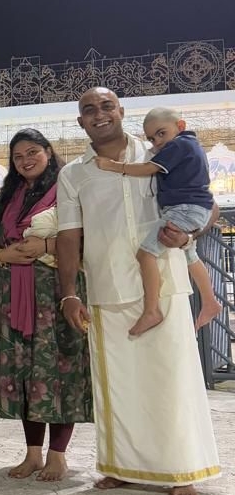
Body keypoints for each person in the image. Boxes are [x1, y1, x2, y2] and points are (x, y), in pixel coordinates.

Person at [56, 87, 220, 495]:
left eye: (107, 106)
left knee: (172, 381)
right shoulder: (74, 173)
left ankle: (182, 469)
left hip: (162, 281)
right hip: (107, 287)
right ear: (80, 122)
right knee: (120, 387)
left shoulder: (161, 152)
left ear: (121, 111)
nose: (99, 114)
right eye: (89, 110)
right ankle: (121, 466)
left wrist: (190, 231)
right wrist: (69, 294)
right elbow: (68, 236)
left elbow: (207, 206)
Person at [0, 129, 92, 481]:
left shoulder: (69, 188)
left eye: (33, 152)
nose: (26, 161)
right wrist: (1, 253)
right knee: (24, 373)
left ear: (48, 152)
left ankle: (58, 456)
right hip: (13, 296)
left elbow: (89, 234)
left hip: (58, 294)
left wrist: (48, 247)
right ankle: (32, 454)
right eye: (18, 156)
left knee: (60, 372)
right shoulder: (7, 194)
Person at [93, 107, 221, 336]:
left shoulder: (179, 145)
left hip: (183, 209)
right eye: (152, 138)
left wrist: (114, 166)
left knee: (145, 254)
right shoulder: (189, 146)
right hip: (193, 209)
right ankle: (210, 301)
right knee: (190, 255)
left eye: (162, 133)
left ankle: (152, 309)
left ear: (180, 127)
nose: (157, 142)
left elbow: (149, 168)